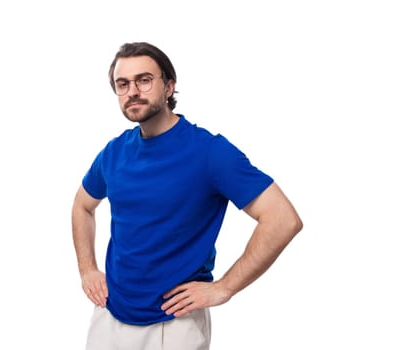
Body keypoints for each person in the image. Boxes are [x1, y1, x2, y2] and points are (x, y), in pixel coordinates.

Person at [71, 41, 303, 350]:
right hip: (109, 316)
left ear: (169, 86)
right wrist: (88, 270)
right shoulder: (114, 152)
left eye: (144, 80)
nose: (132, 92)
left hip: (173, 323)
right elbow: (82, 206)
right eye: (122, 84)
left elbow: (283, 219)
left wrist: (225, 288)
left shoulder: (209, 152)